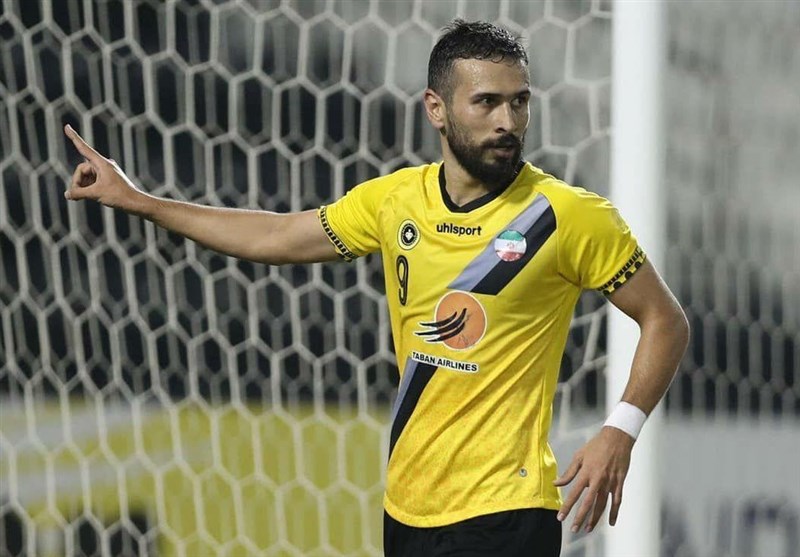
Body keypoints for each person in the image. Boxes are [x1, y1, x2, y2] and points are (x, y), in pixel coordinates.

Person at [63, 19, 689, 557]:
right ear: (436, 109)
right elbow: (278, 236)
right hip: (408, 508)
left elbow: (665, 320)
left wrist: (620, 430)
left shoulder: (566, 215)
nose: (508, 121)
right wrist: (141, 201)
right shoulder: (396, 202)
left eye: (519, 102)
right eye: (487, 103)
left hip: (507, 509)